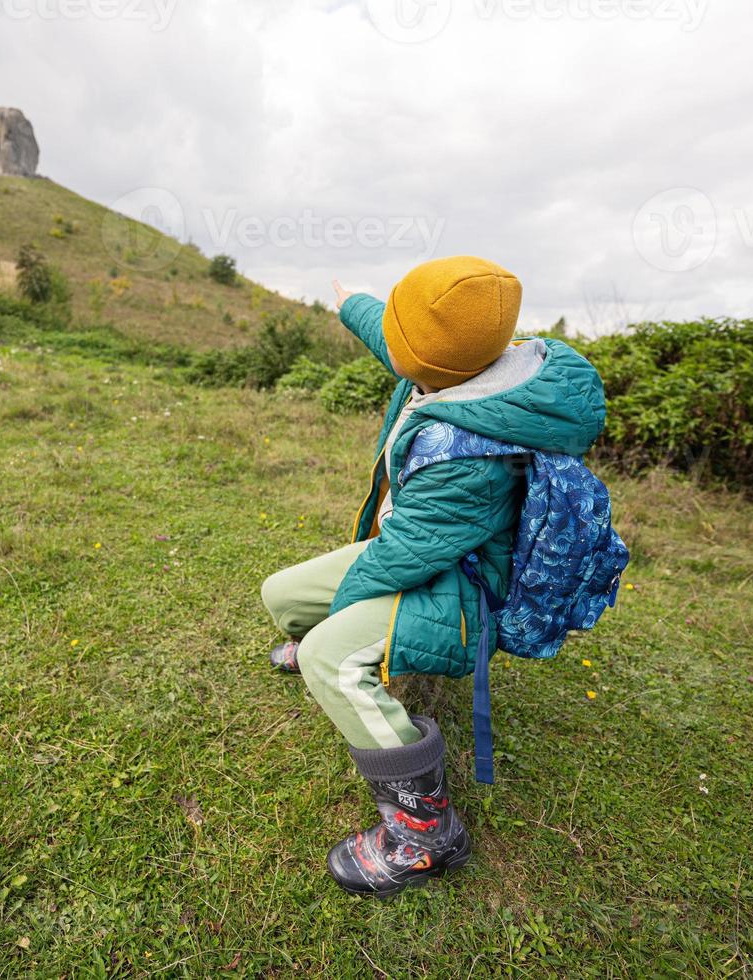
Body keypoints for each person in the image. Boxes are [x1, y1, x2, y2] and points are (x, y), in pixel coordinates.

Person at [261, 255, 607, 897]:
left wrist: (335, 622)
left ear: (423, 357)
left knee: (330, 659)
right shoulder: (464, 365)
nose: (387, 337)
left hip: (464, 586)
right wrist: (353, 302)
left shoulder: (466, 455)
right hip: (421, 550)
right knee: (279, 593)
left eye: (393, 326)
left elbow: (404, 560)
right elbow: (399, 340)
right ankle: (322, 645)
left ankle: (427, 834)